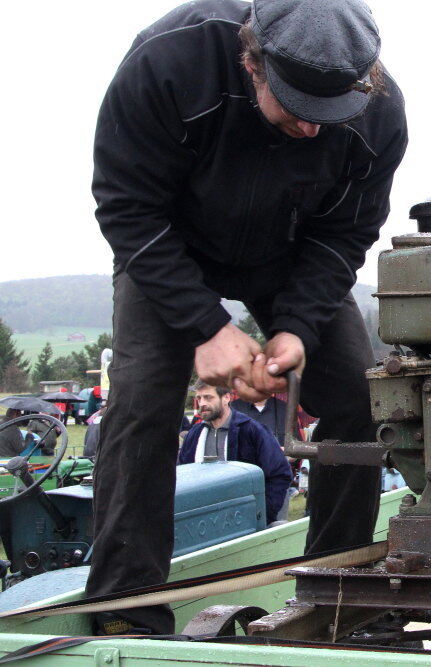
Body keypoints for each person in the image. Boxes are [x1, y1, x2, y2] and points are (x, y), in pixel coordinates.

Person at [88, 0, 407, 635]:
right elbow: (127, 208)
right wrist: (205, 327)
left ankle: (338, 589)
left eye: (331, 113)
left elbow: (345, 234)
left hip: (291, 254)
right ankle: (126, 609)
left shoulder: (381, 111)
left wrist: (296, 326)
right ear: (251, 62)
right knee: (141, 400)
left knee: (357, 395)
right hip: (169, 246)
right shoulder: (167, 65)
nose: (314, 129)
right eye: (298, 109)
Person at [179, 381, 292, 525]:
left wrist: (261, 515)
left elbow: (279, 474)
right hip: (202, 523)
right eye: (199, 398)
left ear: (226, 397)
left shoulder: (252, 430)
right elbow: (183, 477)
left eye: (208, 397)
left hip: (243, 520)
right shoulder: (194, 435)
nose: (202, 403)